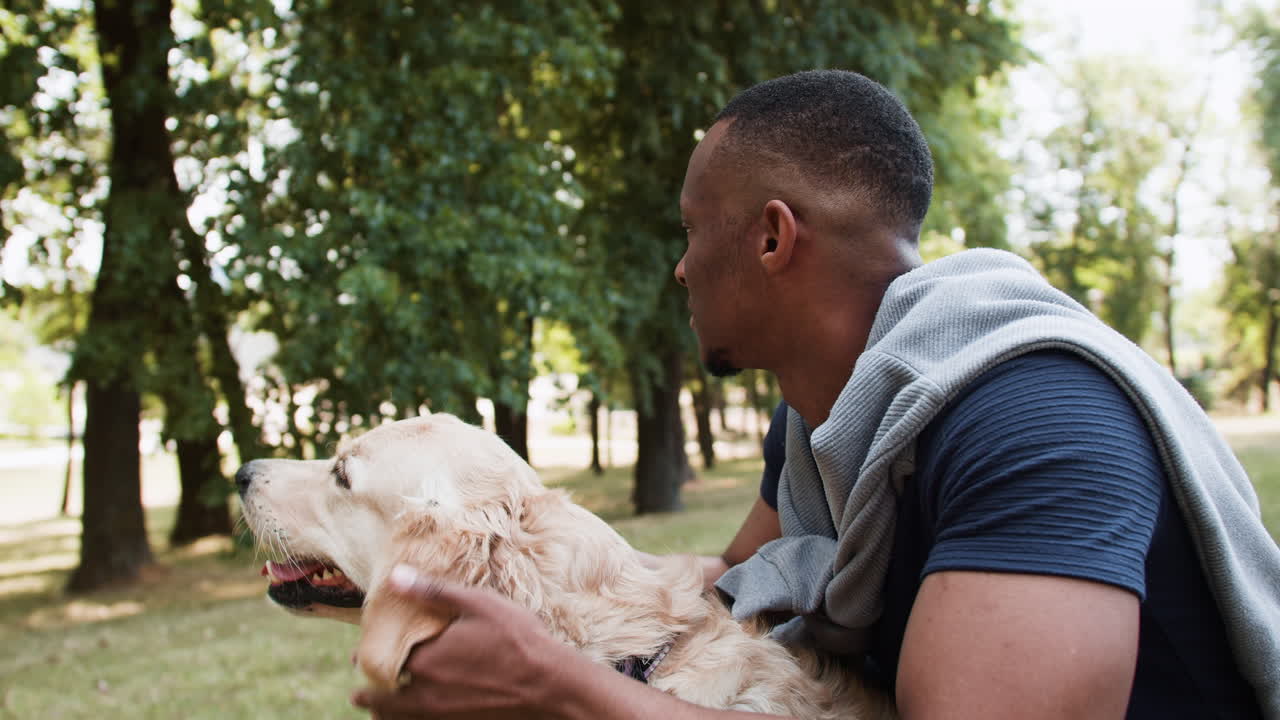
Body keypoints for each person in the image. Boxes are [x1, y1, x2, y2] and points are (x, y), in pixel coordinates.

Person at [353, 70, 1280, 719]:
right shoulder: (822, 421)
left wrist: (559, 690)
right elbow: (727, 604)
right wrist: (503, 576)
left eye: (689, 229)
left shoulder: (1035, 420)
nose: (679, 268)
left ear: (771, 238)